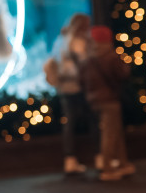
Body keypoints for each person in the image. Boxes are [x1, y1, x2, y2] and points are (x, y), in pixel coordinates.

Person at [80, 25, 135, 181]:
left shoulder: (88, 59)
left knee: (115, 132)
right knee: (110, 134)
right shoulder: (111, 57)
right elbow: (122, 74)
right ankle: (107, 168)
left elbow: (82, 80)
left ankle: (123, 164)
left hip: (94, 100)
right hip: (110, 99)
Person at [44, 12, 95, 174]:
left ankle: (70, 158)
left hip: (64, 86)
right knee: (89, 120)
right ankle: (98, 157)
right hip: (77, 85)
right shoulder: (78, 42)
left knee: (70, 122)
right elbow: (84, 63)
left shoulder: (60, 40)